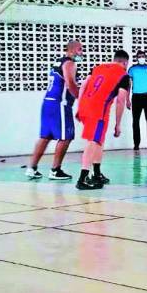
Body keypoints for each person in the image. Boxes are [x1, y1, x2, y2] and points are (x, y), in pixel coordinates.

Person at [74, 50, 131, 190]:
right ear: (125, 63)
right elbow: (121, 101)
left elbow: (84, 85)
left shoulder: (97, 67)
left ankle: (97, 174)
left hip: (87, 106)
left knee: (99, 140)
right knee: (93, 141)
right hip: (98, 110)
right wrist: (118, 125)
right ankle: (82, 178)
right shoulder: (124, 75)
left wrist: (79, 105)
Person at [26, 40, 83, 180]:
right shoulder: (69, 63)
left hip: (47, 103)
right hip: (60, 104)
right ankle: (55, 170)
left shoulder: (57, 62)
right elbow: (70, 84)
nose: (82, 52)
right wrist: (81, 99)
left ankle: (31, 168)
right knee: (66, 137)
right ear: (73, 49)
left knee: (45, 136)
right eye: (80, 49)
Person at [128, 49, 147, 151]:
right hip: (136, 97)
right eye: (139, 57)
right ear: (136, 58)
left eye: (143, 56)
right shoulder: (132, 69)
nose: (141, 58)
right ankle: (136, 144)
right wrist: (127, 99)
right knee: (135, 121)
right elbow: (129, 84)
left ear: (146, 57)